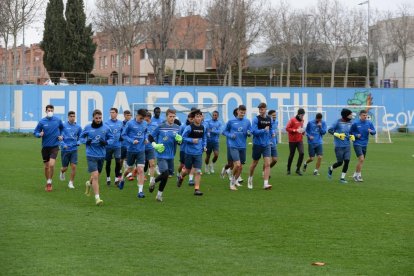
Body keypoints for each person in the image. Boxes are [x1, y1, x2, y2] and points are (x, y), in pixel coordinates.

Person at [80, 109, 114, 205]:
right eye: (96, 118)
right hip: (90, 155)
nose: (98, 120)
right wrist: (86, 142)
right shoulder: (87, 127)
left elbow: (112, 138)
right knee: (95, 176)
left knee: (96, 175)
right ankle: (97, 198)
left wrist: (106, 142)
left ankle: (88, 183)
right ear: (93, 118)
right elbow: (81, 138)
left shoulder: (106, 128)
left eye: (100, 118)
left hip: (101, 155)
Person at [148, 109, 182, 202]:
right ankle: (159, 195)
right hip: (161, 154)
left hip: (171, 155)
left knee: (165, 176)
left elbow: (179, 142)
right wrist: (155, 145)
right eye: (170, 116)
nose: (172, 118)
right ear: (166, 117)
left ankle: (154, 183)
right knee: (165, 174)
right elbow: (150, 136)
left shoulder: (177, 128)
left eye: (173, 116)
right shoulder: (160, 126)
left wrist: (179, 140)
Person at [33, 104, 64, 192]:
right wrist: (39, 134)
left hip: (55, 146)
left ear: (53, 111)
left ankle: (50, 181)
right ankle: (48, 181)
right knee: (46, 166)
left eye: (51, 110)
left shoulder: (58, 120)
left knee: (51, 164)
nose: (50, 112)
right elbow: (35, 132)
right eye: (48, 110)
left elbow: (62, 128)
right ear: (46, 111)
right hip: (45, 147)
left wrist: (61, 135)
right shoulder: (42, 121)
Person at [119, 109, 148, 198]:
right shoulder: (130, 123)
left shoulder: (144, 123)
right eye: (140, 118)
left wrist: (146, 139)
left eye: (143, 118)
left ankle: (140, 191)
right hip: (131, 150)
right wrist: (132, 141)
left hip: (141, 150)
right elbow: (123, 135)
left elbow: (145, 133)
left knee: (140, 170)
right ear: (137, 115)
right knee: (129, 169)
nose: (142, 120)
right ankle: (122, 179)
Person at [177, 109, 207, 196]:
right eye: (197, 116)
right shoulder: (189, 127)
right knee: (187, 170)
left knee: (198, 171)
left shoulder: (203, 127)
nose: (199, 118)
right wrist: (191, 140)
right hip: (189, 153)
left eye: (200, 116)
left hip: (198, 153)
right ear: (193, 118)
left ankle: (196, 189)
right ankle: (181, 177)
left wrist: (204, 146)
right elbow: (182, 138)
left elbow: (204, 138)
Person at [223, 105, 251, 191]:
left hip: (243, 146)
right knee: (237, 165)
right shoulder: (231, 121)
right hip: (233, 145)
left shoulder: (247, 121)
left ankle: (234, 181)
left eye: (244, 112)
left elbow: (250, 131)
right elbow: (224, 131)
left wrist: (249, 133)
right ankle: (231, 183)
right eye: (241, 112)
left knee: (241, 167)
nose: (242, 114)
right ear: (237, 111)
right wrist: (230, 135)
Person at [248, 103, 273, 190]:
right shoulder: (256, 119)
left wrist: (272, 133)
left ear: (266, 109)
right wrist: (263, 130)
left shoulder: (269, 118)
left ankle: (266, 183)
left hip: (267, 144)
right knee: (255, 163)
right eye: (260, 109)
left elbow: (271, 129)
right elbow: (253, 131)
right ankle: (250, 178)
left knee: (267, 163)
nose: (261, 110)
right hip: (257, 144)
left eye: (262, 109)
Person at [327, 108, 354, 184]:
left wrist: (352, 136)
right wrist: (337, 134)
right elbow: (329, 130)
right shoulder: (337, 122)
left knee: (347, 161)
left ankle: (342, 178)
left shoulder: (350, 123)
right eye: (350, 114)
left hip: (347, 145)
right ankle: (331, 168)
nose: (351, 116)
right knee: (340, 162)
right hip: (338, 146)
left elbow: (351, 132)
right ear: (346, 115)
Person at [350, 110, 376, 182]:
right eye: (364, 115)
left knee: (361, 161)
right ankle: (358, 176)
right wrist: (356, 135)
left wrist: (371, 131)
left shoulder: (369, 123)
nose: (365, 117)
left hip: (365, 144)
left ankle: (356, 174)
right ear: (360, 116)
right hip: (357, 143)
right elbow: (350, 133)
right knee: (361, 159)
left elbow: (374, 132)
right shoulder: (355, 123)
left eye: (366, 115)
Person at [59, 111, 82, 189]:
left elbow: (81, 137)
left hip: (74, 150)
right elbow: (59, 137)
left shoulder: (78, 127)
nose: (72, 118)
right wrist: (63, 145)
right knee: (65, 168)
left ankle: (71, 182)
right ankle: (62, 172)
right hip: (65, 150)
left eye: (73, 116)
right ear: (68, 117)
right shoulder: (63, 126)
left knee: (74, 166)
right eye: (71, 116)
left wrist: (79, 142)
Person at [104, 108, 123, 186]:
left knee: (118, 162)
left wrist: (121, 136)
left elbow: (122, 132)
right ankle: (108, 178)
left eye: (113, 112)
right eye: (110, 112)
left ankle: (116, 178)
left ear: (116, 113)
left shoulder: (120, 123)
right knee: (108, 162)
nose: (111, 114)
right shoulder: (106, 123)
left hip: (117, 145)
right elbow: (104, 133)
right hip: (108, 146)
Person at [286, 108, 306, 176]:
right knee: (292, 155)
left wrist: (303, 132)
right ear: (298, 114)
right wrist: (295, 130)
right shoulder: (292, 120)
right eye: (302, 115)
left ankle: (298, 169)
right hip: (292, 140)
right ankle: (288, 169)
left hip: (299, 140)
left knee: (302, 153)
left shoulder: (302, 120)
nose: (302, 116)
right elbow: (287, 128)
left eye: (303, 115)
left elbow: (301, 129)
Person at [177, 112, 195, 183]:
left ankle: (190, 179)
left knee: (193, 164)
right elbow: (179, 137)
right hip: (184, 149)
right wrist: (179, 142)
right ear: (188, 118)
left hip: (192, 149)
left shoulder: (196, 127)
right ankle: (178, 174)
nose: (192, 120)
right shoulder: (183, 126)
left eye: (193, 119)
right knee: (182, 164)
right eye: (191, 119)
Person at [144, 111, 158, 188]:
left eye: (146, 117)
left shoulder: (155, 125)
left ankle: (152, 180)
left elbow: (157, 134)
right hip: (142, 147)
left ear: (149, 117)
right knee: (142, 165)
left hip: (151, 147)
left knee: (152, 164)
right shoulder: (141, 124)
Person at [264, 110, 279, 177]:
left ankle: (266, 170)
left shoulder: (276, 122)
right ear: (269, 115)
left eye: (275, 115)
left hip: (274, 142)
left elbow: (275, 131)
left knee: (275, 160)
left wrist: (276, 140)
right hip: (267, 142)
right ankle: (265, 172)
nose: (274, 116)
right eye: (273, 115)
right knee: (268, 160)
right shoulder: (266, 122)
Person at [120, 110, 132, 175]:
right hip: (122, 145)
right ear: (124, 116)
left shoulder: (132, 124)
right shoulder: (121, 124)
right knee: (121, 160)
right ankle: (119, 170)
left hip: (129, 145)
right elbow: (119, 133)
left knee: (127, 159)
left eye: (130, 115)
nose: (129, 117)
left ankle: (128, 173)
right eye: (127, 115)